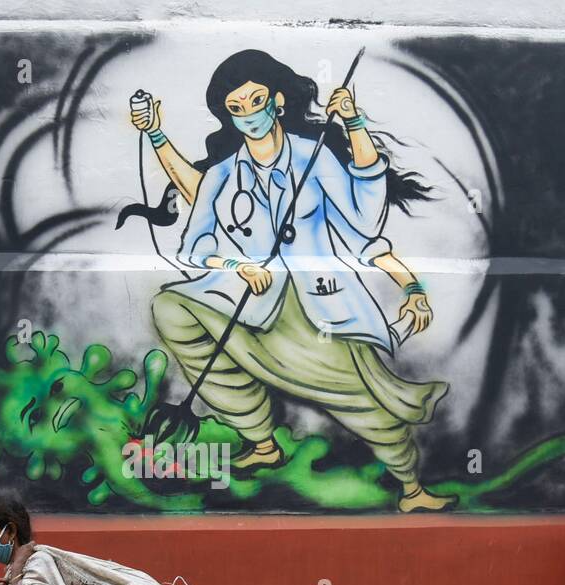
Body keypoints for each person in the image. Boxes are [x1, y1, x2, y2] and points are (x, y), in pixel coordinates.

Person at [133, 49, 455, 512]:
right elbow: (193, 247)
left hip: (318, 308)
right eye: (236, 109)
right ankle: (261, 440)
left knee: (361, 400)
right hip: (250, 302)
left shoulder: (314, 159)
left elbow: (364, 224)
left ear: (278, 100)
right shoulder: (224, 173)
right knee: (169, 307)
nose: (248, 116)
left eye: (256, 101)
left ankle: (411, 490)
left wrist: (413, 286)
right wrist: (236, 266)